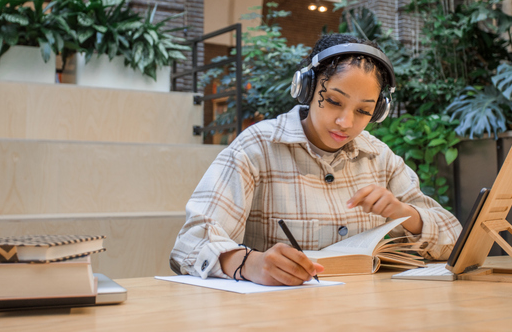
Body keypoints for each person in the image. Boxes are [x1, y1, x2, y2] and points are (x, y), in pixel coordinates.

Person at [170, 33, 462, 286]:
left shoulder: (380, 157)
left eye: (363, 111)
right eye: (334, 101)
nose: (345, 122)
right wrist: (250, 264)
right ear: (306, 88)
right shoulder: (256, 148)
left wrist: (404, 212)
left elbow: (454, 238)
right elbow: (190, 244)